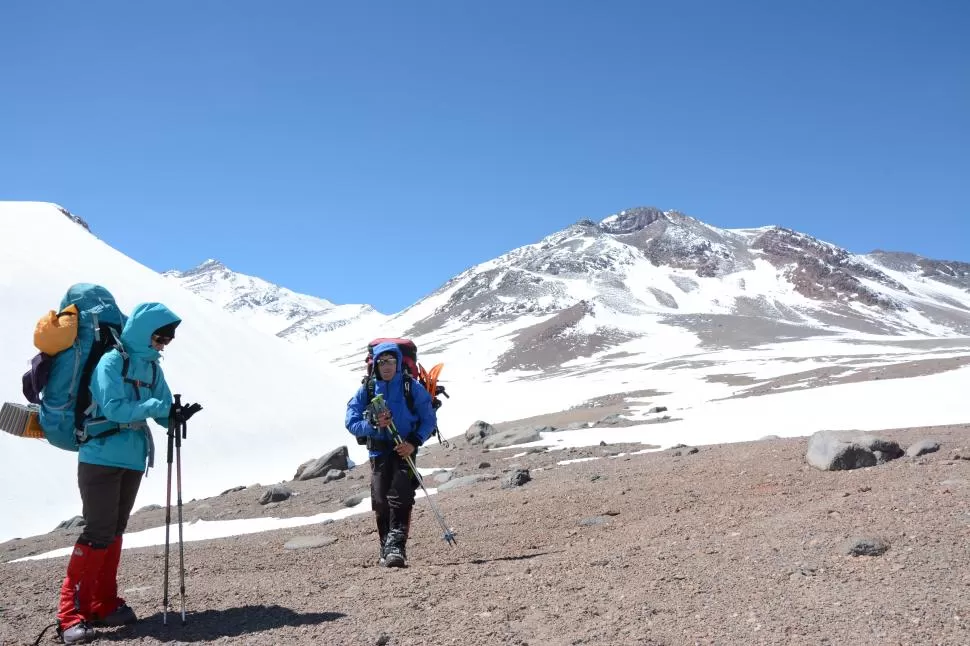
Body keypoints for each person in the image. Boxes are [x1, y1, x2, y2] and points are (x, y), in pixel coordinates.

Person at [55, 303, 202, 645]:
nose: (164, 344)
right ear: (143, 332)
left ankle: (101, 603)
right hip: (101, 456)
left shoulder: (152, 369)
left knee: (115, 531)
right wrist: (156, 407)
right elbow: (113, 408)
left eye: (168, 339)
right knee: (98, 531)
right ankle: (69, 615)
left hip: (133, 458)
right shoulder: (111, 362)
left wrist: (176, 415)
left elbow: (162, 407)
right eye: (160, 337)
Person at [345, 342, 436, 568]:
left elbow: (428, 418)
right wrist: (373, 425)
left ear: (397, 363)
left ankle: (397, 547)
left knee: (401, 496)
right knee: (379, 500)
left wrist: (414, 443)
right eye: (382, 362)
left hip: (403, 448)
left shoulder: (410, 386)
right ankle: (386, 545)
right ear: (375, 364)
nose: (386, 366)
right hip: (378, 451)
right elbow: (351, 421)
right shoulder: (366, 389)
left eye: (391, 361)